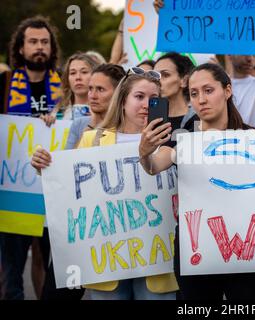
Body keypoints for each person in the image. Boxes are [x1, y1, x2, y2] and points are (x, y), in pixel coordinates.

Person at [32, 68, 178, 300]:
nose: (146, 105)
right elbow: (71, 185)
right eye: (139, 97)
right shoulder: (93, 139)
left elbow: (158, 172)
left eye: (153, 100)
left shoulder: (169, 143)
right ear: (122, 101)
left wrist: (148, 152)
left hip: (156, 260)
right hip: (107, 262)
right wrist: (44, 168)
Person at [139, 63, 255, 300]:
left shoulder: (253, 137)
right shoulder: (183, 139)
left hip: (248, 249)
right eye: (194, 93)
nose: (201, 99)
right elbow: (153, 166)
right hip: (197, 249)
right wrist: (144, 152)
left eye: (208, 90)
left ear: (227, 91)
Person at [0, 15, 62, 300]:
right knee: (12, 272)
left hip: (55, 191)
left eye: (45, 42)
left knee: (57, 269)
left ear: (52, 47)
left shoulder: (67, 86)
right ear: (21, 48)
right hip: (15, 192)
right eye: (33, 42)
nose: (39, 47)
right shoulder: (5, 83)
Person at [65, 64, 126, 150]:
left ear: (118, 93)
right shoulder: (79, 124)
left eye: (100, 89)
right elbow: (69, 160)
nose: (93, 96)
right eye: (90, 89)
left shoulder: (130, 126)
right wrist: (92, 126)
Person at [153, 52, 196, 147]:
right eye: (155, 76)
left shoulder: (197, 119)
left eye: (165, 75)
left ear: (184, 81)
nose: (157, 81)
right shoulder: (150, 117)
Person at [53, 52, 99, 120]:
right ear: (67, 78)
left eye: (84, 72)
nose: (78, 77)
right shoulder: (57, 113)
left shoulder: (105, 112)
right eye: (73, 73)